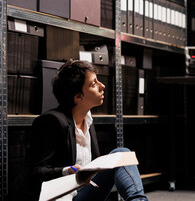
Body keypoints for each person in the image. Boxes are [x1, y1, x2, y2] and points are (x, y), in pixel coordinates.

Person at [11, 60, 148, 201]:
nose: (102, 86)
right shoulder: (51, 121)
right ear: (78, 96)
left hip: (82, 194)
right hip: (60, 197)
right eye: (94, 84)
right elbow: (34, 172)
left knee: (122, 154)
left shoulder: (87, 120)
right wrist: (67, 171)